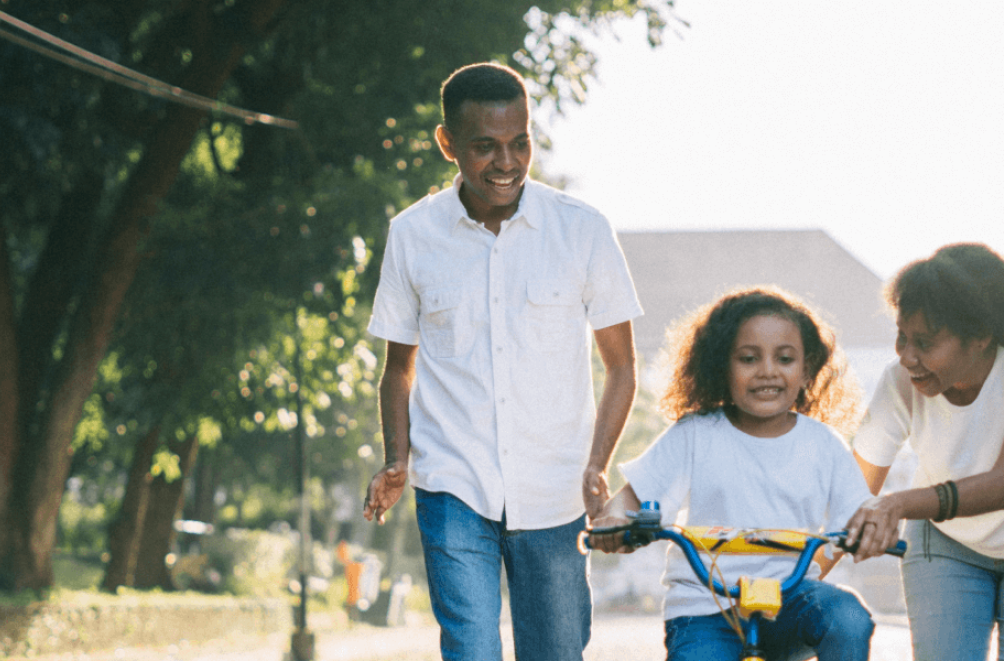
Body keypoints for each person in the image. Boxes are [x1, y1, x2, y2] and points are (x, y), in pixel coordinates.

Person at [359, 61, 642, 661]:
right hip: (453, 484)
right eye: (485, 147)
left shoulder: (582, 231)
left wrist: (597, 466)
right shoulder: (412, 236)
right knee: (470, 650)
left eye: (520, 143)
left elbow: (621, 367)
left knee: (557, 653)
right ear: (448, 145)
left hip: (556, 491)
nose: (507, 162)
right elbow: (398, 369)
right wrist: (396, 457)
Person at [841, 243, 1004, 660]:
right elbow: (851, 498)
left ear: (981, 336)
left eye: (925, 343)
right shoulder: (899, 382)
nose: (907, 357)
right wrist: (786, 586)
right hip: (945, 542)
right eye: (901, 337)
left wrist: (896, 504)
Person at [590, 286, 877, 661]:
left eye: (785, 359)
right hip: (705, 607)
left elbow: (859, 514)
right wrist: (613, 522)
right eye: (748, 358)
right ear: (721, 366)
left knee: (849, 617)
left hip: (790, 600)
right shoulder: (695, 434)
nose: (768, 371)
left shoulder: (822, 444)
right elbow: (630, 499)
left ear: (807, 370)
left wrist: (870, 530)